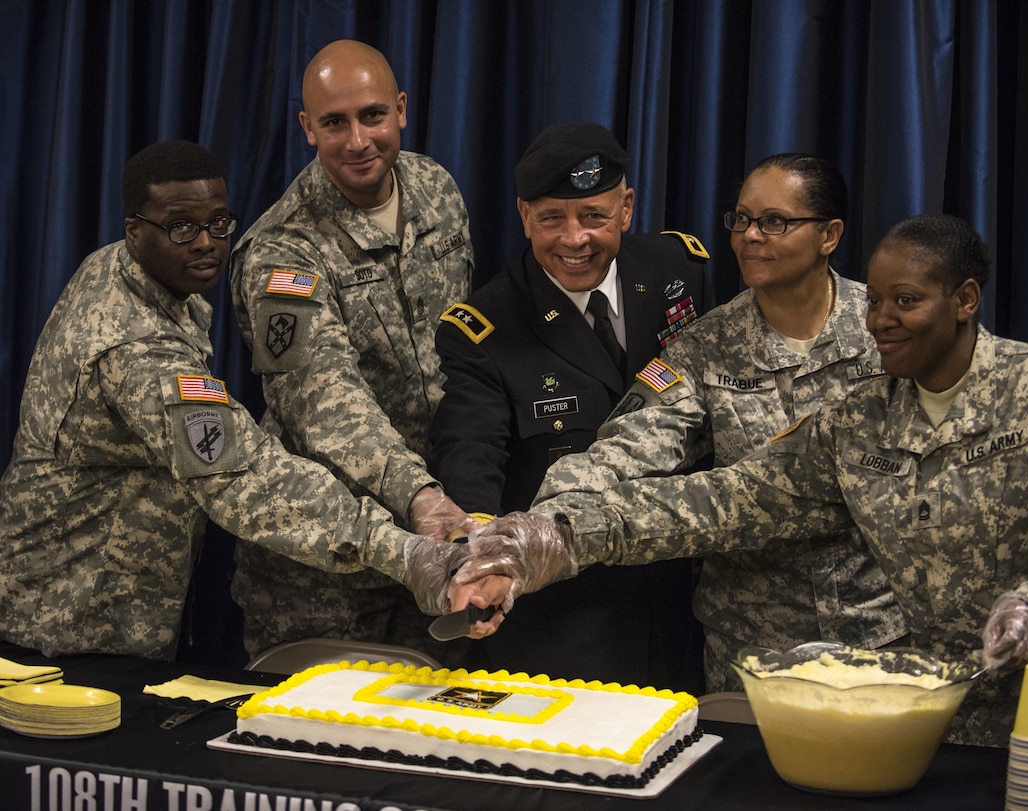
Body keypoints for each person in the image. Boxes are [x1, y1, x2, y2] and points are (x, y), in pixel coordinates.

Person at [456, 213, 1028, 748]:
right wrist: (557, 536)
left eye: (907, 303)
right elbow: (727, 499)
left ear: (965, 301)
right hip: (911, 718)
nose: (880, 322)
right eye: (876, 303)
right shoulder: (858, 421)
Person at [0, 140, 500, 661]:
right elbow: (242, 474)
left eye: (218, 223)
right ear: (134, 232)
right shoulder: (133, 347)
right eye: (181, 227)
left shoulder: (135, 274)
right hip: (63, 625)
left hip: (116, 604)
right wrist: (406, 551)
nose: (205, 243)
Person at [532, 153, 906, 692]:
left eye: (775, 222)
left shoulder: (887, 332)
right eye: (742, 219)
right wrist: (542, 524)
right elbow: (627, 446)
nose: (751, 236)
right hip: (751, 649)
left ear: (829, 235)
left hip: (878, 637)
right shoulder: (706, 346)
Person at [427, 122, 713, 691]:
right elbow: (469, 453)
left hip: (679, 602)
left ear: (626, 208)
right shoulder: (485, 328)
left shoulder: (678, 270)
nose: (574, 238)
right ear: (524, 215)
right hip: (563, 619)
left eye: (594, 216)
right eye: (552, 218)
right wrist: (478, 556)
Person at [229, 40, 476, 661]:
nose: (358, 140)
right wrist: (420, 496)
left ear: (400, 109)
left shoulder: (437, 191)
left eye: (372, 116)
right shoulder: (281, 251)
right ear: (308, 127)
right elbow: (322, 403)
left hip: (441, 540)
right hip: (325, 568)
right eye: (334, 123)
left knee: (431, 739)